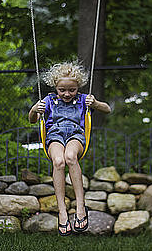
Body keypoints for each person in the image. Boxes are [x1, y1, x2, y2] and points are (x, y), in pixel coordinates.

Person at [29, 61, 111, 236]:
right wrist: (34, 109)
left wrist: (95, 103)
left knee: (70, 157)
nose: (67, 94)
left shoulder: (83, 100)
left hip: (75, 135)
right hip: (55, 136)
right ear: (55, 87)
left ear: (78, 87)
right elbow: (32, 119)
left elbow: (107, 109)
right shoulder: (49, 100)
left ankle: (81, 207)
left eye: (71, 90)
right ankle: (62, 212)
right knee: (59, 161)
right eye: (62, 90)